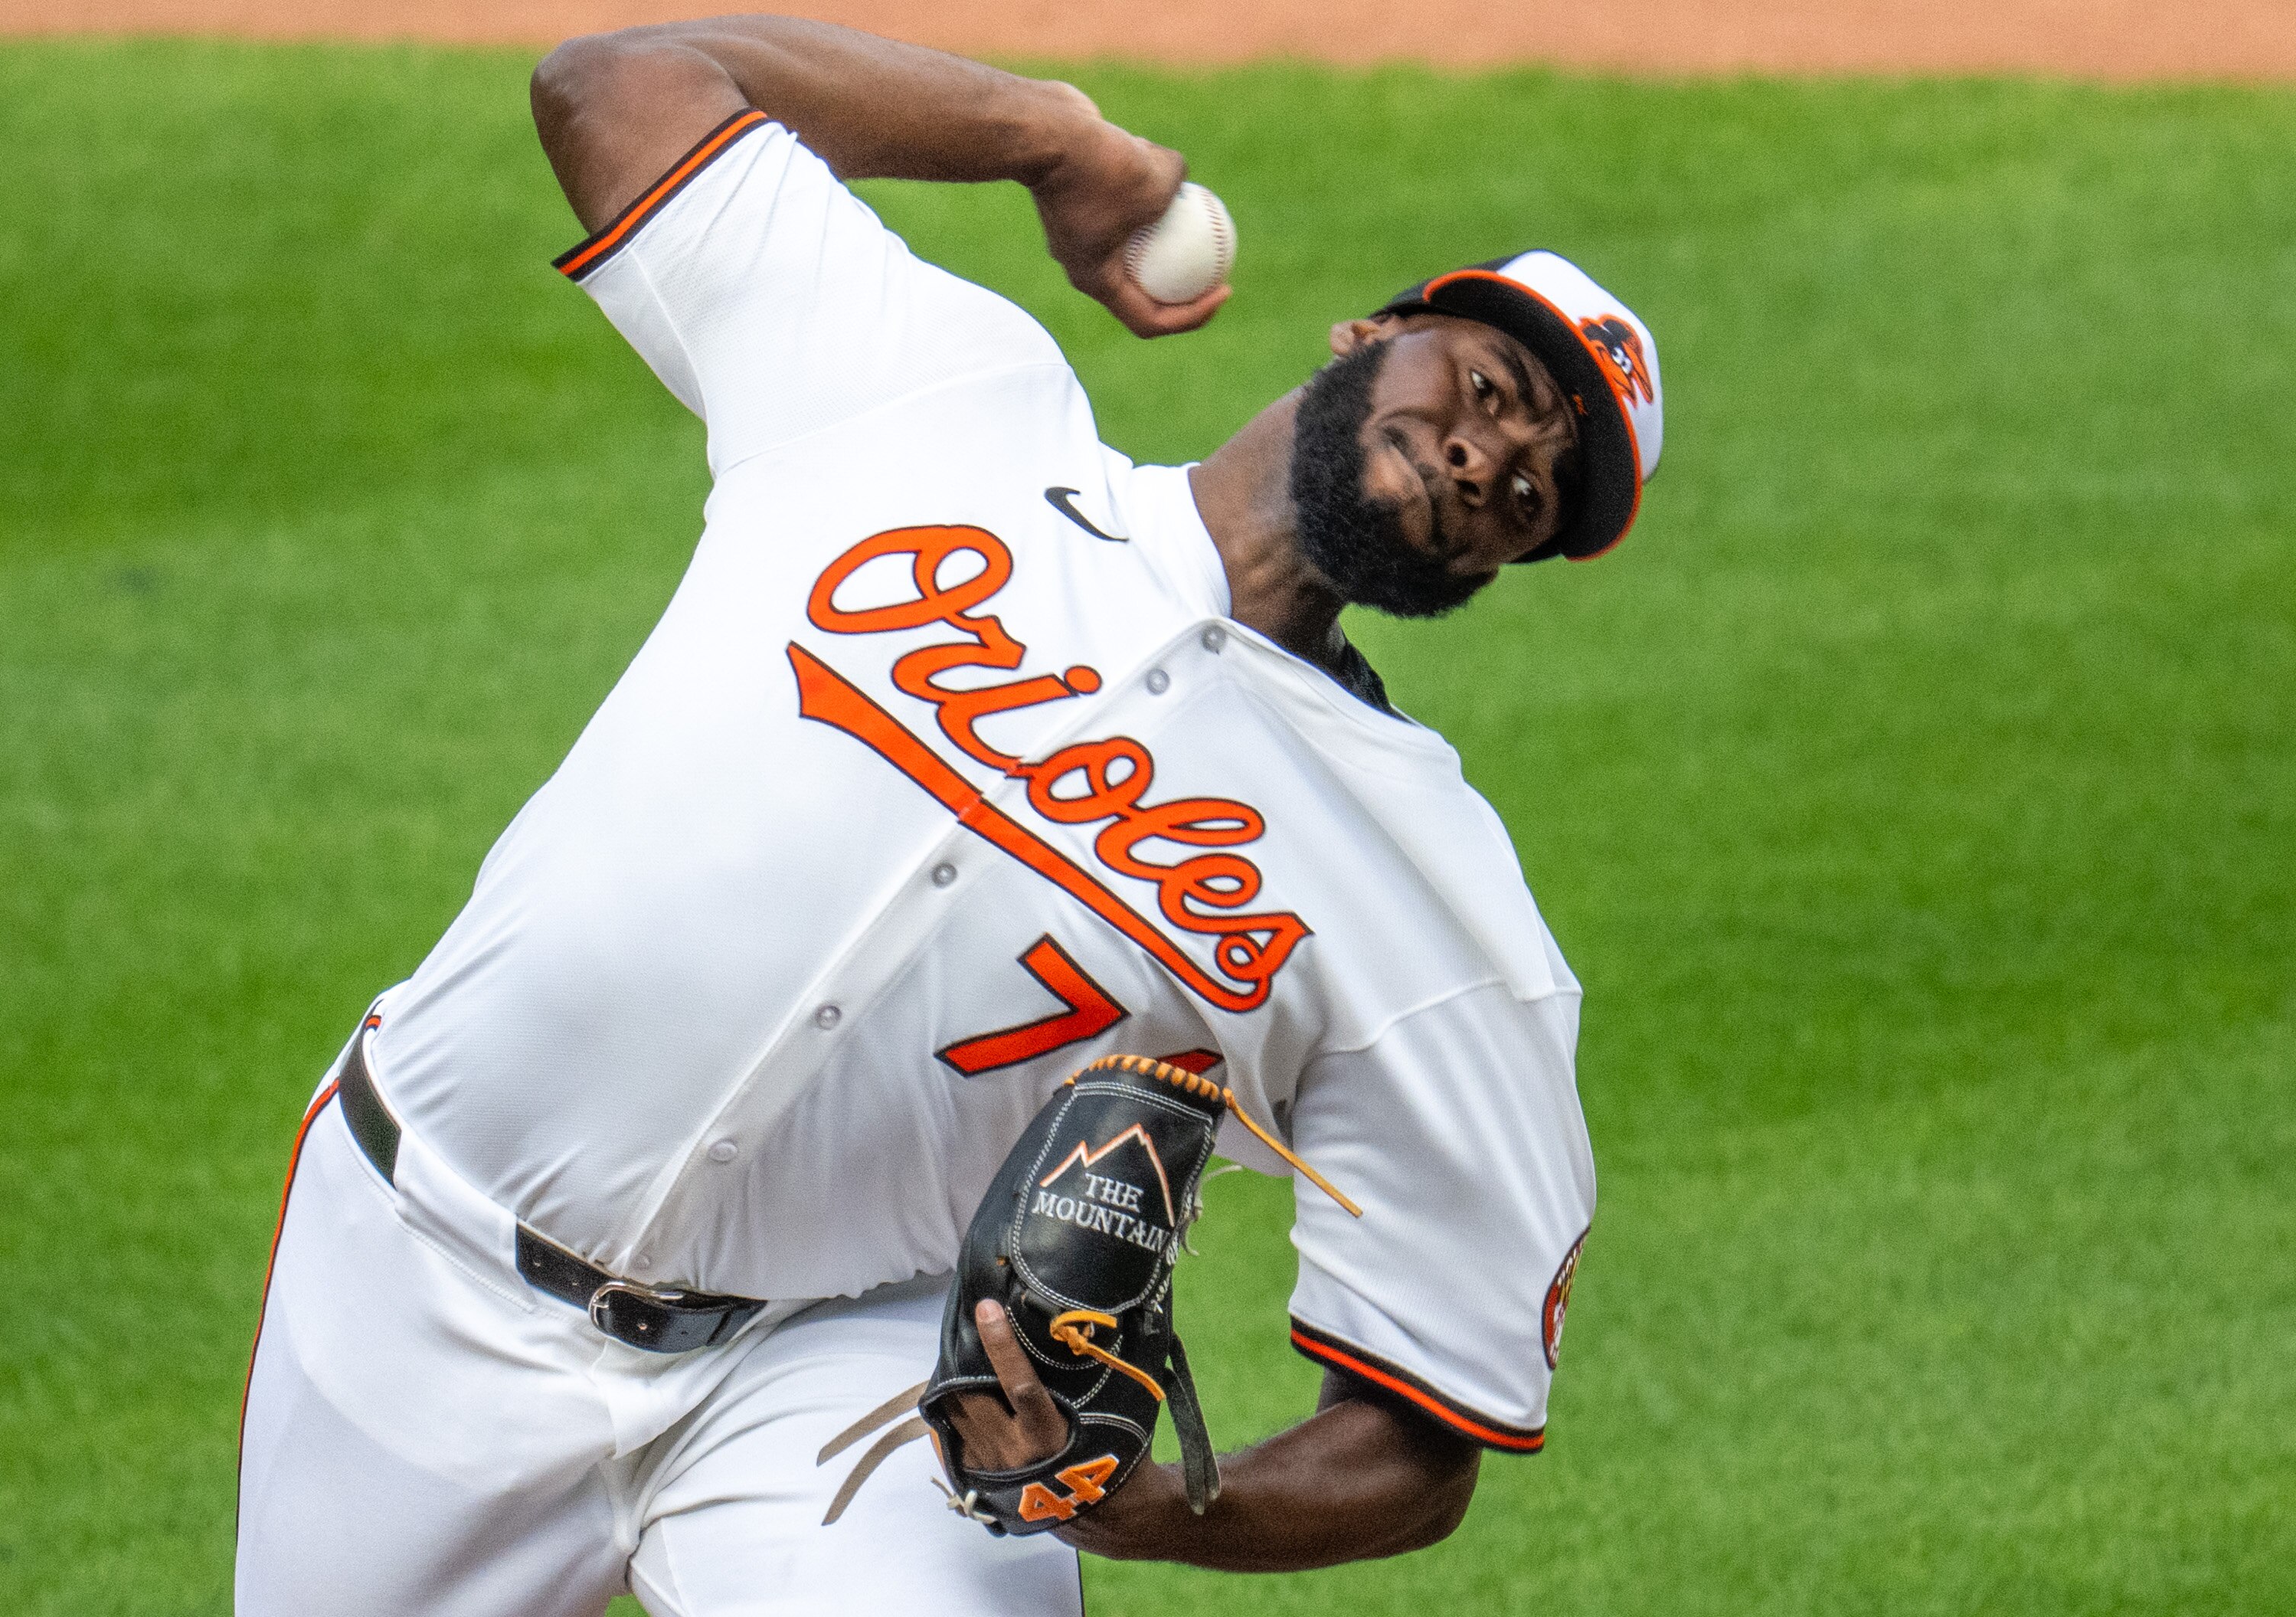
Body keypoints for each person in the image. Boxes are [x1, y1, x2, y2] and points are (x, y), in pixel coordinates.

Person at [234, 15, 1662, 1615]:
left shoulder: (1436, 903)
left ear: (1506, 561)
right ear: (1369, 336)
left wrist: (1159, 1509)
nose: (1491, 453)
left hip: (843, 1387)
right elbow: (615, 85)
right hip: (421, 1257)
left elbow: (1424, 1432)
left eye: (1536, 486)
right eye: (1492, 384)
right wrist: (1053, 140)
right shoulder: (935, 396)